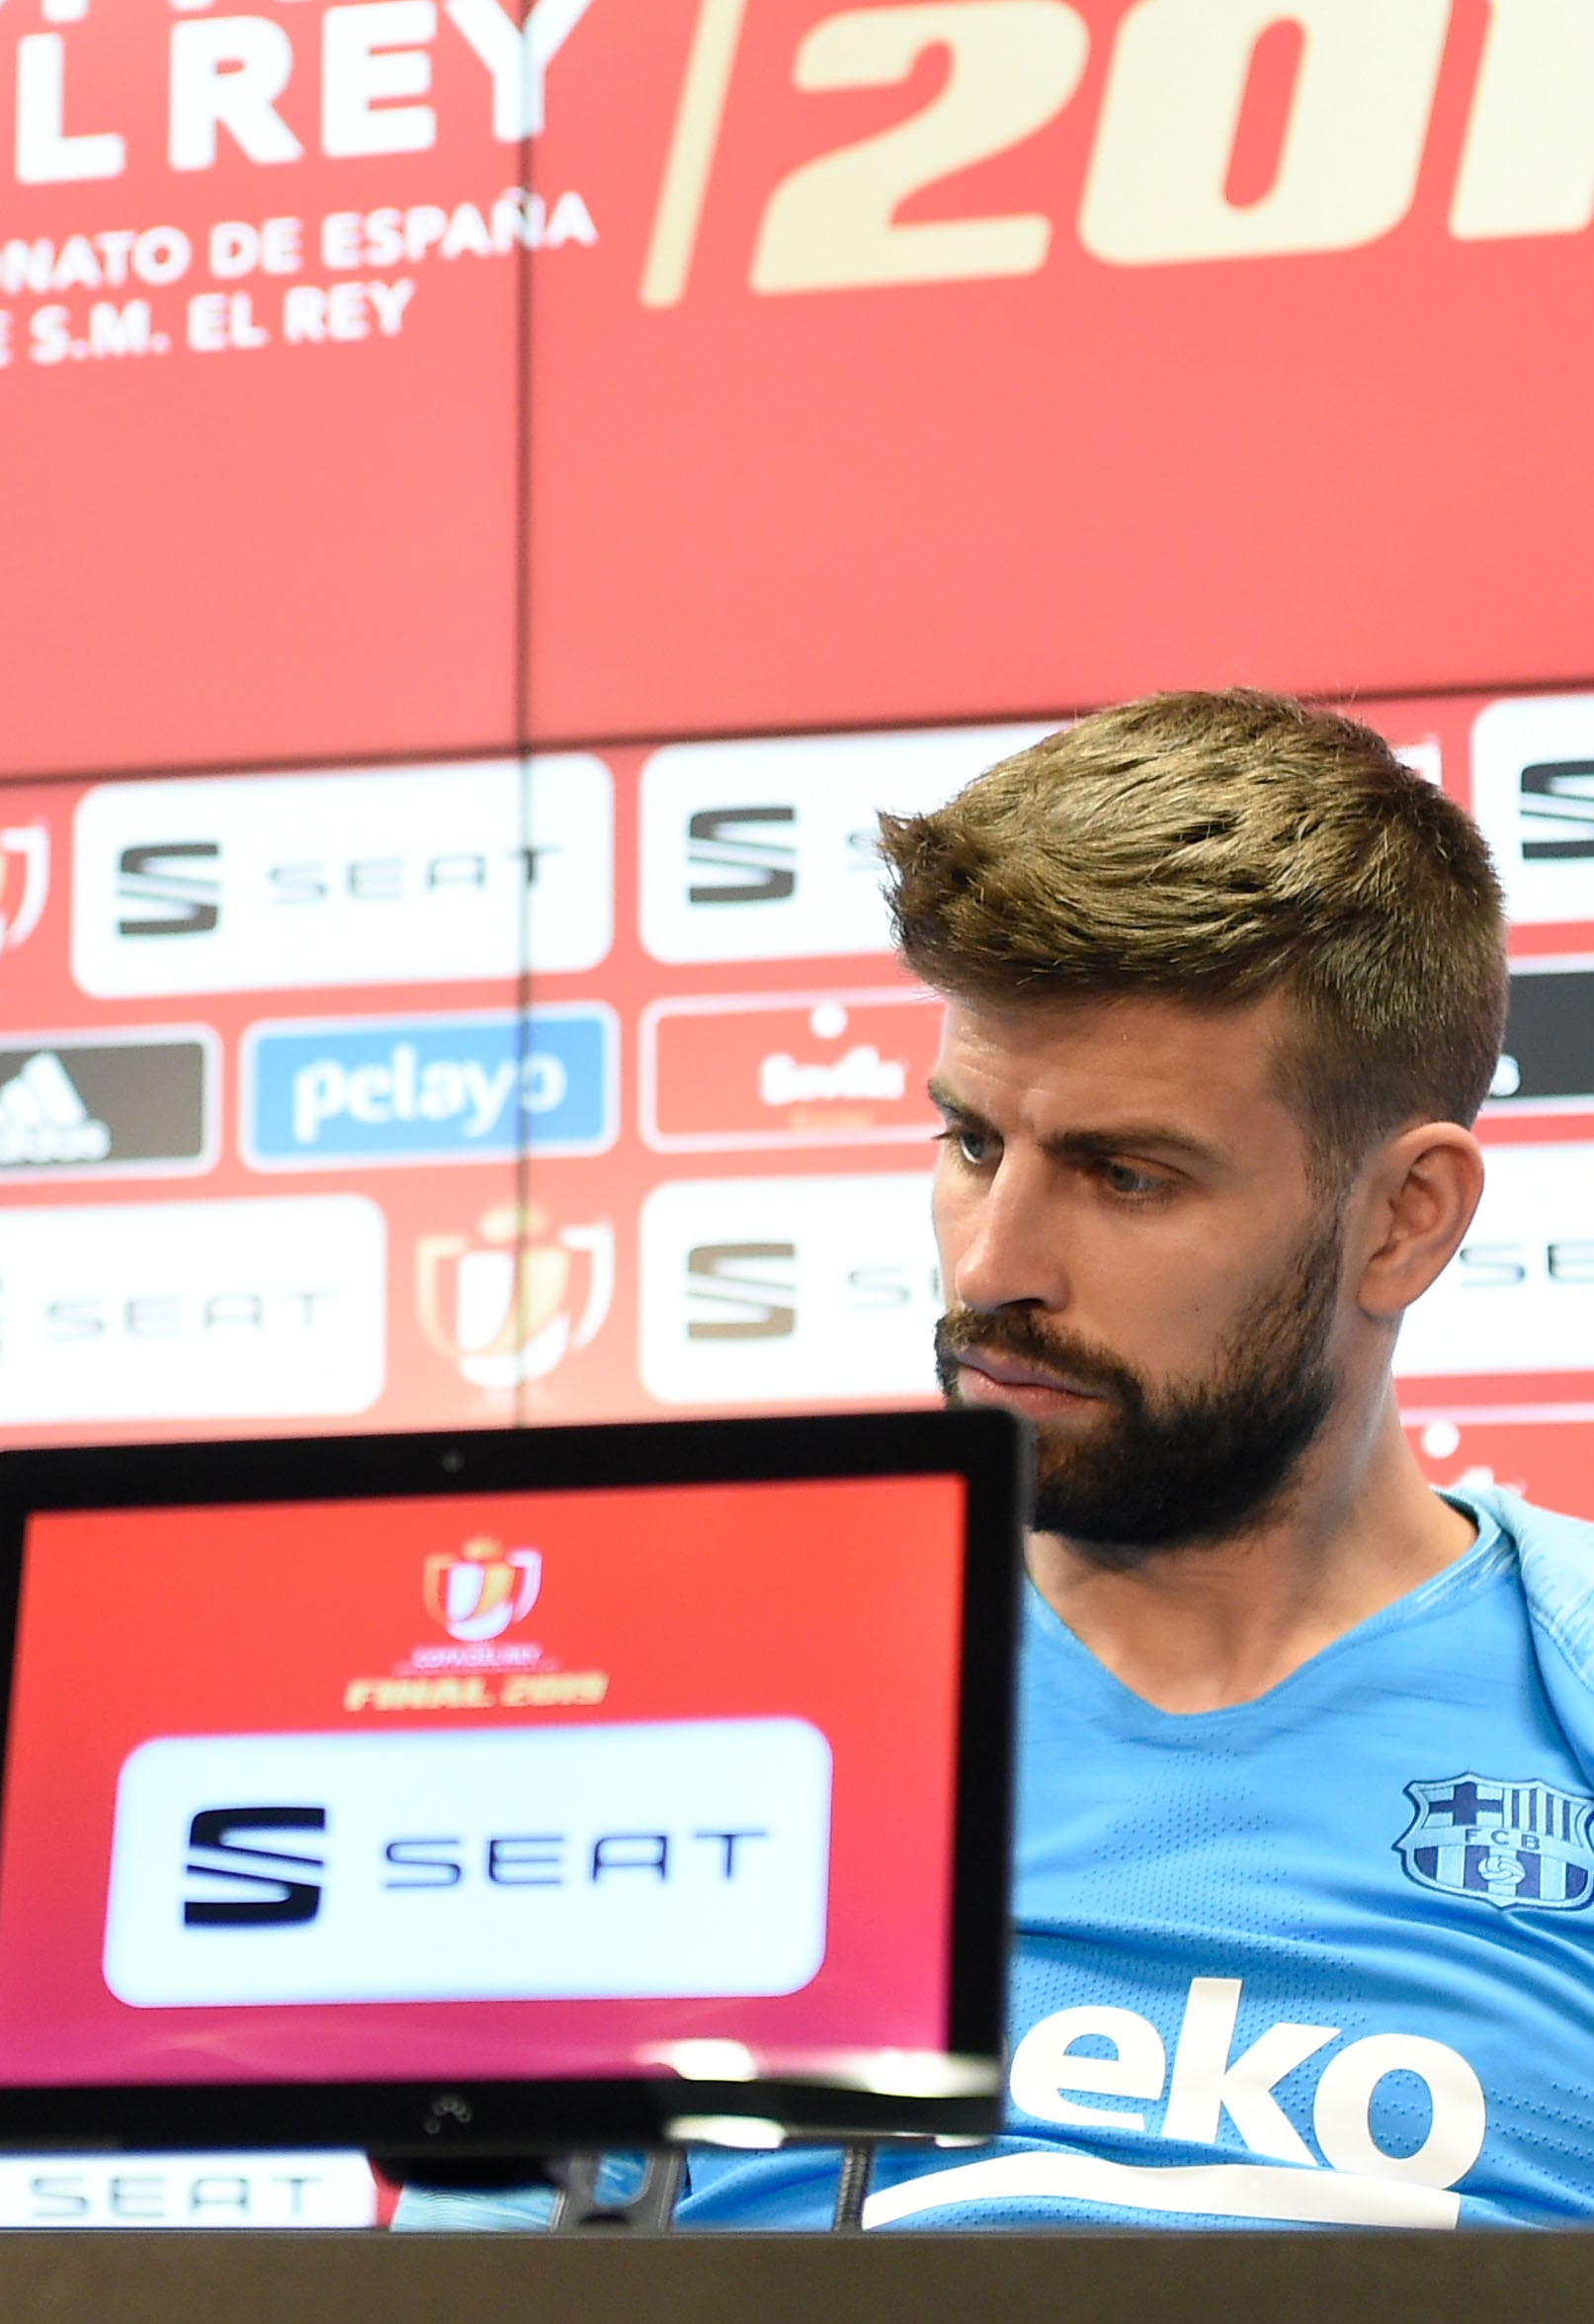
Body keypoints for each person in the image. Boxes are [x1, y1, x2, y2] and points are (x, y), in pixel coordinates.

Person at [672, 690, 1594, 2225]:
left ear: (1403, 1218)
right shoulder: (704, 1692)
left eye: (1124, 1176)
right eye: (972, 1146)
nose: (993, 1266)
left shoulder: (1565, 1690)